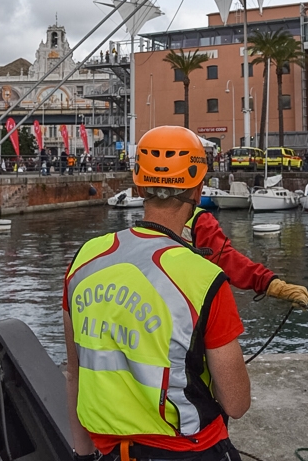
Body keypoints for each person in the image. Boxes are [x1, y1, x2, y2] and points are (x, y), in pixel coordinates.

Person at [63, 125, 251, 461]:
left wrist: (81, 454)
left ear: (138, 184)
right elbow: (236, 403)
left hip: (109, 452)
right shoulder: (205, 279)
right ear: (199, 187)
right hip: (189, 451)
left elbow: (75, 373)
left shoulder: (85, 258)